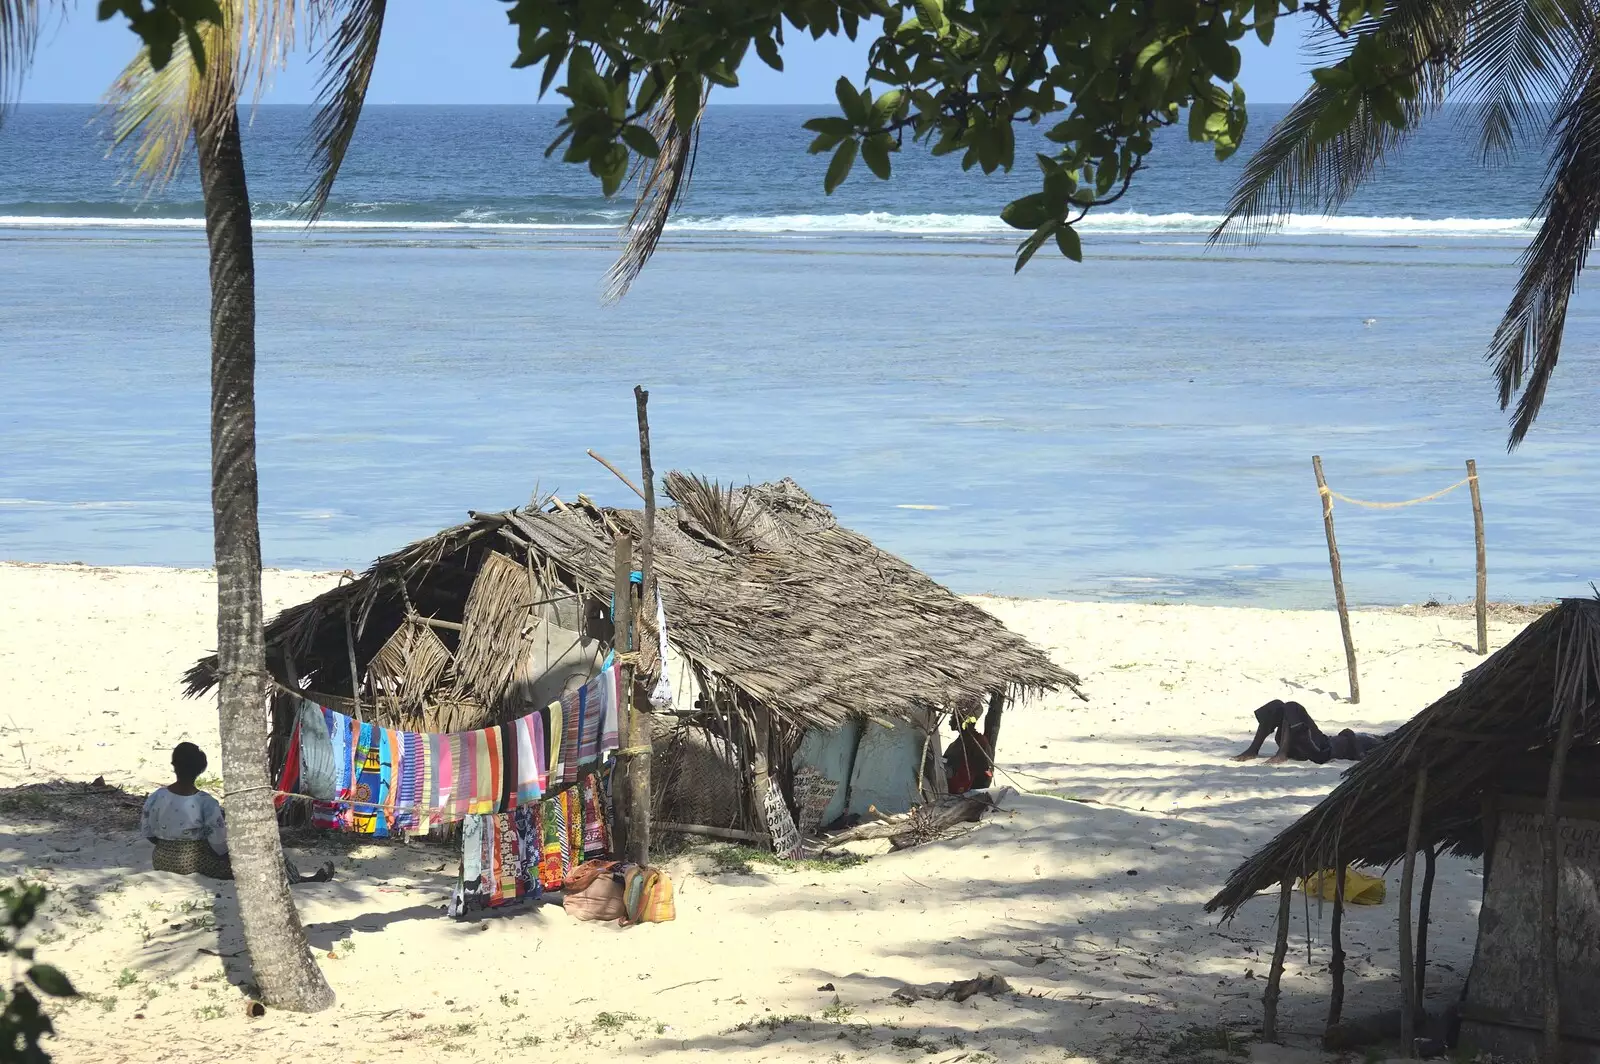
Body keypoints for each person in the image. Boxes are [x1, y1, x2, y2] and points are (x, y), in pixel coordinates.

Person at [141, 742, 332, 883]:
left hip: (161, 859)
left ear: (174, 765)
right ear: (200, 769)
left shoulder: (157, 797)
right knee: (268, 859)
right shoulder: (205, 803)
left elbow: (148, 832)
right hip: (195, 861)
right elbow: (219, 845)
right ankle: (300, 881)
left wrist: (169, 844)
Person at [1231, 700, 1384, 764]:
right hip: (1309, 743)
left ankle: (1281, 753)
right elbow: (1348, 733)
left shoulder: (1375, 744)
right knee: (1278, 706)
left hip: (1321, 749)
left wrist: (1361, 755)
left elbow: (1349, 733)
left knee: (1291, 706)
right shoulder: (1372, 740)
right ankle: (1253, 750)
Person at [944, 724, 994, 794]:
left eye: (954, 716)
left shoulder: (977, 741)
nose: (949, 721)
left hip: (965, 792)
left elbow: (984, 770)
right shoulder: (961, 741)